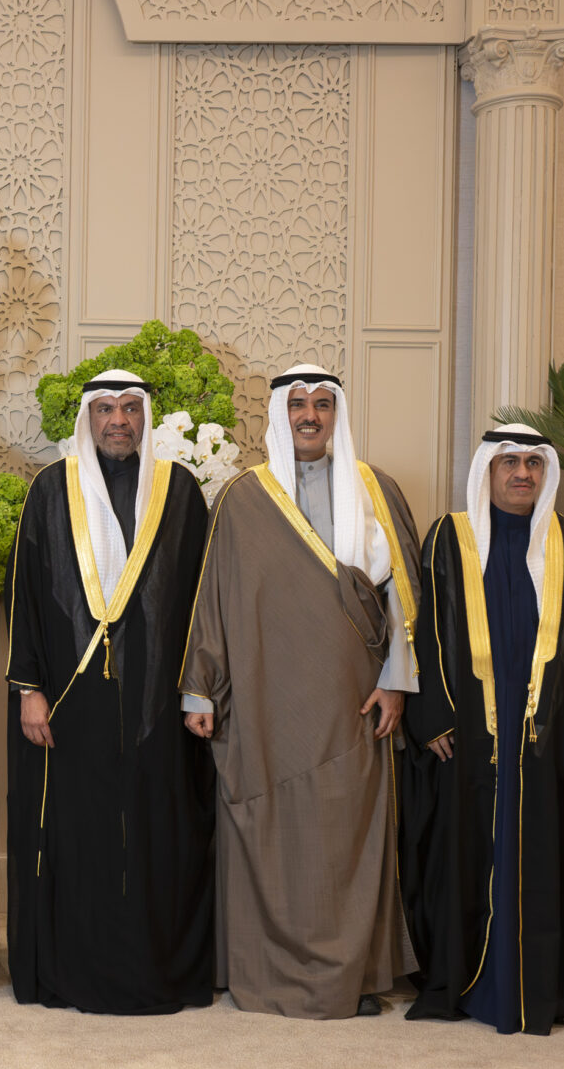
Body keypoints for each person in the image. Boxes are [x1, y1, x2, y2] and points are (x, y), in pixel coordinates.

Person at [178, 365, 422, 1017]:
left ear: (337, 413)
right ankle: (265, 971)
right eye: (296, 404)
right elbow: (213, 598)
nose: (309, 415)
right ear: (278, 415)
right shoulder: (242, 497)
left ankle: (352, 976)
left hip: (354, 701)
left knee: (348, 838)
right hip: (264, 700)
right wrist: (200, 689)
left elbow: (405, 595)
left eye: (321, 404)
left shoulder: (376, 489)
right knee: (269, 833)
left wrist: (396, 682)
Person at [8, 371, 215, 1014]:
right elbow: (27, 595)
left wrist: (200, 690)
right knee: (82, 836)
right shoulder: (51, 488)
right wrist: (28, 688)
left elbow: (205, 601)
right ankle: (76, 970)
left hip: (159, 697)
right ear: (87, 419)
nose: (118, 420)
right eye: (104, 409)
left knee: (155, 832)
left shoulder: (179, 490)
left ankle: (156, 970)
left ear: (145, 416)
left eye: (129, 408)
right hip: (72, 698)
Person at [403, 424, 564, 1035]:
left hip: (549, 737)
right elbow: (423, 626)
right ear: (487, 472)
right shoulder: (451, 536)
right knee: (469, 851)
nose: (523, 474)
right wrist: (433, 713)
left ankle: (539, 984)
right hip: (468, 733)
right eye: (509, 463)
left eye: (533, 463)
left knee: (543, 853)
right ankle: (472, 981)